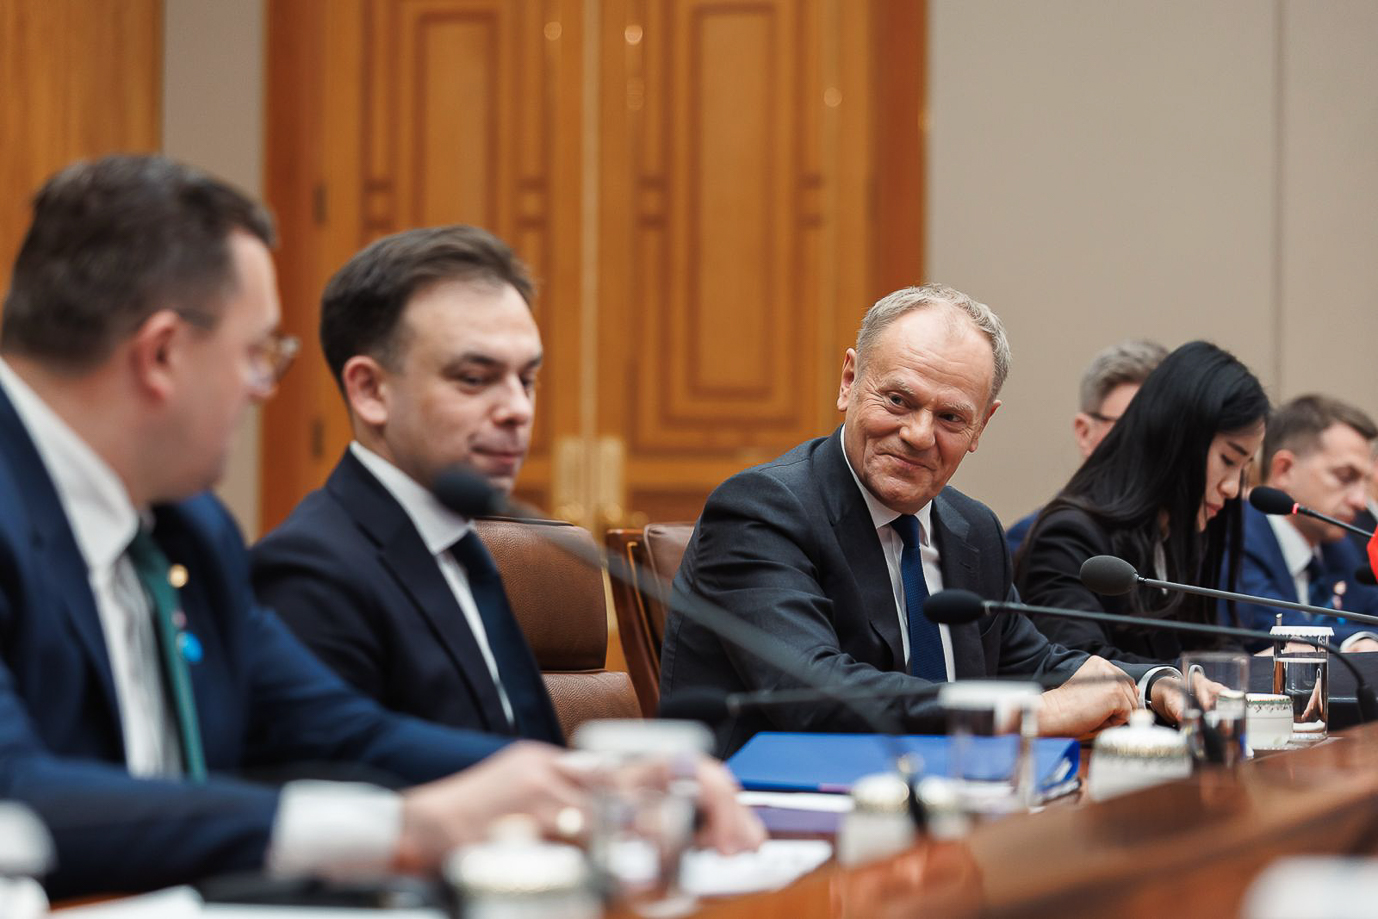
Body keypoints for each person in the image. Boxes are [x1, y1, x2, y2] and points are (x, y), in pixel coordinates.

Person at [0, 156, 757, 899]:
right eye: (257, 355)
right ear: (163, 354)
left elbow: (336, 728)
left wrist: (591, 783)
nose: (263, 390)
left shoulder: (190, 529)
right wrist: (398, 827)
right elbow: (17, 796)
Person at [658, 284, 1185, 757]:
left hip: (945, 803)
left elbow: (1033, 661)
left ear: (981, 426)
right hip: (772, 812)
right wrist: (1024, 714)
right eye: (897, 400)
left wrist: (1155, 685)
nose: (918, 434)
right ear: (849, 382)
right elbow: (813, 693)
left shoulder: (971, 528)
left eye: (951, 417)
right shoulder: (762, 509)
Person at [251, 226, 563, 743]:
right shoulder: (311, 571)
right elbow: (342, 778)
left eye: (526, 379)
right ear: (371, 390)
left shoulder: (461, 546)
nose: (518, 409)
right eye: (474, 378)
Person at [1014, 341, 1270, 664]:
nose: (1233, 488)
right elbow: (1079, 663)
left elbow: (1211, 644)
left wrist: (1263, 667)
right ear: (1175, 440)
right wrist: (1183, 678)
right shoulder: (1069, 536)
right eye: (1228, 459)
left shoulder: (1178, 537)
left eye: (1244, 467)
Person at [1225, 395, 1378, 650]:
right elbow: (1273, 626)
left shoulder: (1340, 547)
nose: (1360, 501)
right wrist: (1358, 640)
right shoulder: (1235, 533)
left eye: (1365, 482)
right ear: (1284, 470)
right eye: (1345, 476)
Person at [1005, 340, 1167, 554]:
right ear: (1084, 433)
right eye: (1130, 428)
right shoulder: (1035, 539)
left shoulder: (1190, 540)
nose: (1150, 444)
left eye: (1163, 429)